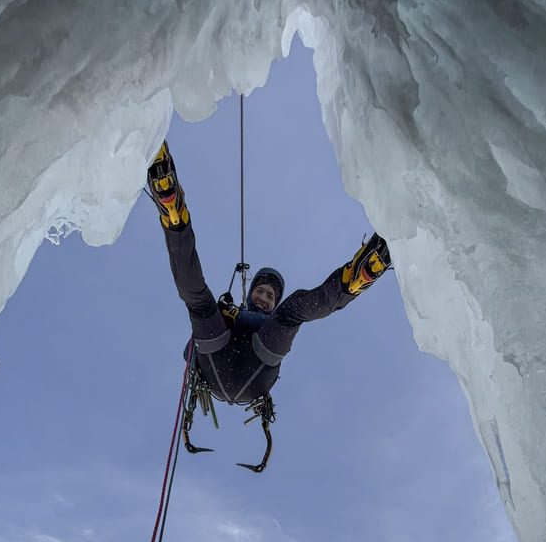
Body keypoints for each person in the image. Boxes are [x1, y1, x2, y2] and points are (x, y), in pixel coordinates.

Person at [147, 141, 391, 407]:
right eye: (262, 292)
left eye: (269, 296)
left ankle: (174, 218)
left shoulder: (254, 318)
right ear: (252, 295)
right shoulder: (266, 320)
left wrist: (225, 315)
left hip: (240, 370)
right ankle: (353, 282)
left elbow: (190, 353)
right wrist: (225, 317)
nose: (264, 298)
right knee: (288, 312)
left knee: (200, 302)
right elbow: (191, 353)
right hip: (250, 373)